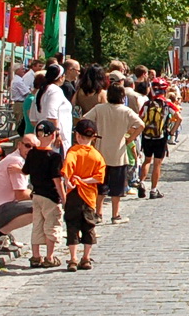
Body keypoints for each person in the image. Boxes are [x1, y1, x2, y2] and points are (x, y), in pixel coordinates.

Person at [84, 83, 143, 224]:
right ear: (122, 96)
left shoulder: (99, 108)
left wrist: (92, 135)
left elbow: (84, 120)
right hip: (119, 153)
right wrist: (130, 138)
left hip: (101, 152)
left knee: (100, 186)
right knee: (117, 187)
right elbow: (141, 125)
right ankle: (115, 215)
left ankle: (98, 214)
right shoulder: (126, 111)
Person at [60, 119, 105, 272]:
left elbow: (67, 167)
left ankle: (73, 258)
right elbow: (99, 177)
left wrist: (69, 181)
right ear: (93, 137)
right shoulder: (96, 155)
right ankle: (86, 258)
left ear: (77, 135)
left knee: (72, 225)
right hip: (89, 196)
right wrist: (85, 180)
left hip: (74, 194)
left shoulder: (73, 151)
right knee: (89, 226)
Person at [24, 121, 65, 269]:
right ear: (53, 135)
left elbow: (25, 171)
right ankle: (49, 256)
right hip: (51, 196)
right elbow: (57, 180)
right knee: (51, 226)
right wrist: (64, 197)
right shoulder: (54, 157)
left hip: (36, 194)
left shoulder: (32, 153)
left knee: (37, 225)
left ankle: (35, 256)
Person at [0, 135, 36, 242]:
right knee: (39, 208)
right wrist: (42, 195)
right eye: (28, 146)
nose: (31, 150)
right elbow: (21, 195)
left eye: (34, 148)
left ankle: (3, 233)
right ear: (19, 145)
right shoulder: (17, 161)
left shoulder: (18, 159)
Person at [138, 87, 177, 199]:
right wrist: (171, 132)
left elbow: (140, 118)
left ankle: (141, 182)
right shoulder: (167, 104)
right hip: (161, 136)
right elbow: (179, 118)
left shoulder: (147, 104)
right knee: (157, 163)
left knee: (147, 160)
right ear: (164, 92)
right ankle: (153, 190)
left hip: (147, 136)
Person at [32, 64, 71, 148]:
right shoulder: (55, 90)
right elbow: (51, 115)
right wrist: (56, 134)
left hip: (42, 134)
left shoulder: (41, 90)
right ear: (61, 77)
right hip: (54, 138)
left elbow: (33, 118)